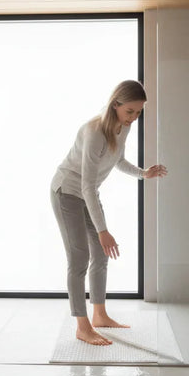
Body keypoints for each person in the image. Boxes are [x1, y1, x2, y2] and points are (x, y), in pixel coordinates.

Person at [50, 80, 167, 346]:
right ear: (116, 104)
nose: (134, 118)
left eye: (139, 112)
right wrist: (102, 230)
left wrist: (143, 173)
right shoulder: (94, 132)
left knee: (101, 254)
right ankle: (82, 326)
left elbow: (117, 160)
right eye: (130, 111)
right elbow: (86, 185)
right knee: (79, 257)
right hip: (66, 192)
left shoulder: (122, 127)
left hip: (86, 194)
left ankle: (100, 315)